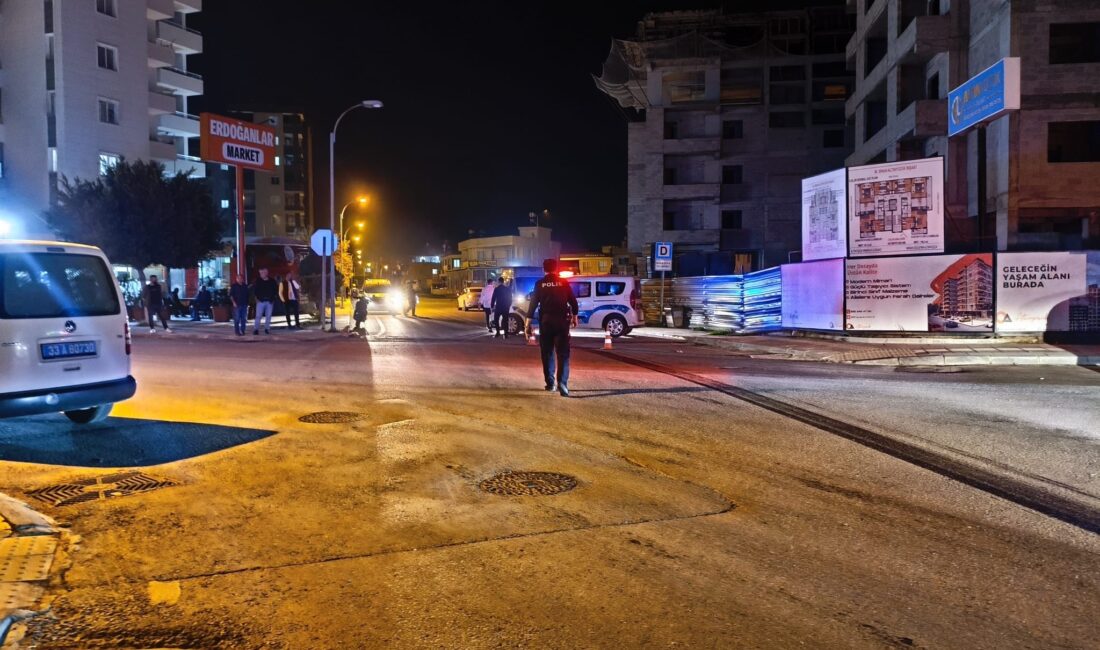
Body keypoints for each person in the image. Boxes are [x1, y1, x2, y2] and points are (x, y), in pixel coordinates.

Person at [525, 259, 578, 397]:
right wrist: (574, 317)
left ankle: (550, 384)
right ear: (555, 268)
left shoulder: (540, 284)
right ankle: (563, 383)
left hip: (546, 322)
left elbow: (533, 304)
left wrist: (527, 324)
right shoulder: (564, 283)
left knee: (547, 353)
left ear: (544, 269)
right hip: (562, 322)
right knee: (563, 354)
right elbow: (573, 302)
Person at [251, 267, 278, 335]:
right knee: (258, 316)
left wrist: (273, 298)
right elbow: (254, 290)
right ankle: (256, 329)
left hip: (269, 301)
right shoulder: (258, 281)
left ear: (267, 273)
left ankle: (267, 329)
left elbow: (276, 290)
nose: (264, 273)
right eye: (262, 272)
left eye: (265, 272)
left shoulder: (272, 281)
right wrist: (256, 299)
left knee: (268, 316)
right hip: (260, 301)